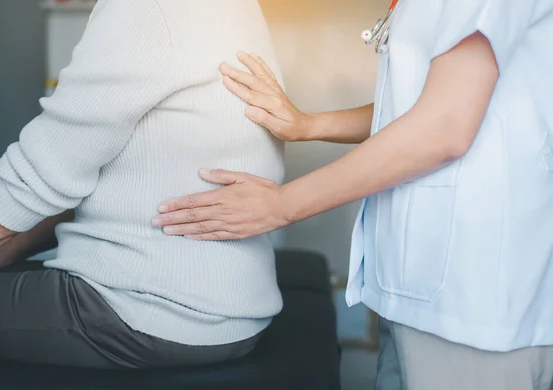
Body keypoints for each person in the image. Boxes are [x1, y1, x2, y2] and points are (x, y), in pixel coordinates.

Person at [153, 0, 553, 388]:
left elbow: (444, 124)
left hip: (472, 293)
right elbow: (424, 101)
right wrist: (309, 124)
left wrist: (281, 204)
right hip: (423, 286)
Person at [0, 0, 285, 369]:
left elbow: (48, 164)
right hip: (229, 311)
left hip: (142, 309)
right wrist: (2, 248)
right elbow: (113, 173)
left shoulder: (146, 8)